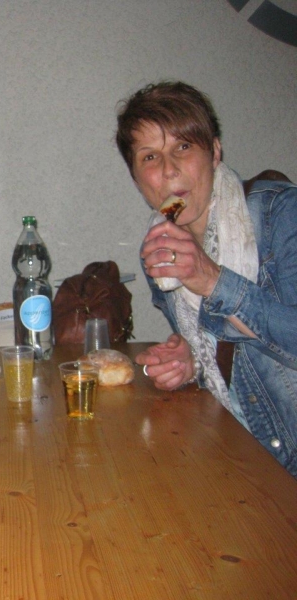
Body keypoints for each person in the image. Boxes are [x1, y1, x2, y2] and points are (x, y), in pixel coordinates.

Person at [115, 81, 297, 477]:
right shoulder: (160, 251)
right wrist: (190, 362)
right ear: (137, 178)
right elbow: (222, 354)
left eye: (183, 147)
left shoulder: (282, 214)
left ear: (214, 152)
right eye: (150, 156)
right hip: (241, 457)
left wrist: (214, 280)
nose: (169, 169)